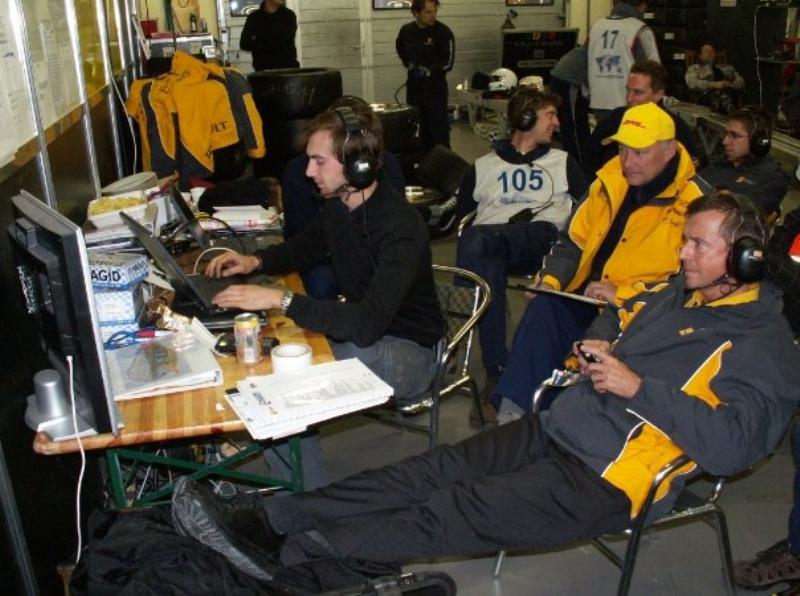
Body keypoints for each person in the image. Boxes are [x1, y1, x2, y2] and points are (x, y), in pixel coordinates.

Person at [171, 192, 800, 590]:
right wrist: (601, 339)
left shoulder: (762, 345)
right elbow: (620, 308)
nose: (682, 252)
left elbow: (735, 447)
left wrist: (638, 386)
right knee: (428, 471)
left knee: (450, 509)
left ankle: (286, 561)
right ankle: (272, 518)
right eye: (685, 238)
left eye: (697, 244)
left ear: (743, 259)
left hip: (612, 480)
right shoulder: (681, 291)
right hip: (561, 426)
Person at [206, 106, 443, 409]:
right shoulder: (338, 207)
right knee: (286, 352)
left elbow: (366, 324)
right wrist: (254, 261)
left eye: (319, 161)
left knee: (297, 369)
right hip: (366, 337)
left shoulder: (401, 226)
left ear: (358, 165)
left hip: (412, 354)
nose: (308, 172)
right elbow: (303, 248)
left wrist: (280, 299)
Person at [490, 101, 703, 422]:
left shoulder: (695, 206)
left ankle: (555, 420)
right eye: (623, 150)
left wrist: (623, 296)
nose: (628, 162)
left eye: (640, 152)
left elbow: (690, 285)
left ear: (669, 149)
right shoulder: (606, 182)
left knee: (590, 346)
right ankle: (512, 415)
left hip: (637, 313)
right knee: (544, 307)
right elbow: (572, 243)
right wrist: (551, 281)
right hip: (584, 298)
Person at [454, 87, 587, 425]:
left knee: (476, 241)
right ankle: (498, 371)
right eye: (550, 115)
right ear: (526, 118)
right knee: (482, 255)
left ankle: (456, 325)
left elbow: (590, 211)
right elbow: (459, 213)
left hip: (541, 243)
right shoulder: (482, 167)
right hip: (493, 251)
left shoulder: (563, 163)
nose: (556, 123)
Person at [281, 96, 406, 300]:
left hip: (369, 266)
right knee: (321, 281)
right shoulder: (300, 173)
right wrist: (254, 261)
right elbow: (301, 240)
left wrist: (283, 302)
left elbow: (372, 313)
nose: (310, 171)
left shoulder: (386, 170)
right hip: (323, 256)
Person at [582, 60, 699, 182]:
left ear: (658, 94)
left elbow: (688, 173)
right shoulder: (613, 120)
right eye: (628, 90)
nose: (629, 98)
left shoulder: (677, 129)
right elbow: (589, 157)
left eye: (638, 92)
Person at [696, 106, 790, 219]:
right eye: (726, 134)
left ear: (758, 141)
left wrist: (731, 200)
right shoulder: (718, 163)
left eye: (734, 135)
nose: (725, 141)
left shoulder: (773, 179)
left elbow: (750, 219)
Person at [396, 0, 455, 150]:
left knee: (437, 130)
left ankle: (441, 160)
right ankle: (419, 159)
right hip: (414, 89)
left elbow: (448, 63)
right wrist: (409, 64)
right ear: (416, 13)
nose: (433, 15)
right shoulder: (406, 31)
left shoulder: (443, 32)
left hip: (435, 90)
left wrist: (428, 71)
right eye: (428, 12)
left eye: (435, 11)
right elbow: (400, 49)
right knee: (416, 128)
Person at [587, 0, 660, 120]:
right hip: (629, 103)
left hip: (599, 101)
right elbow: (655, 70)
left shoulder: (596, 26)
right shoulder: (640, 29)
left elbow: (585, 62)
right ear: (643, 4)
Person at [549, 44, 590, 164]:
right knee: (574, 124)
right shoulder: (588, 55)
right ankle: (579, 162)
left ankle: (575, 158)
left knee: (570, 123)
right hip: (567, 83)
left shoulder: (580, 52)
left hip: (560, 79)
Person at [685, 43, 744, 115]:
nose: (710, 53)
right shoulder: (695, 68)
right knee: (718, 97)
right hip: (706, 96)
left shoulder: (727, 68)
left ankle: (729, 110)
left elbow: (741, 82)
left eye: (712, 51)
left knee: (724, 96)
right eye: (706, 51)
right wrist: (713, 85)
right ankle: (731, 111)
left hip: (727, 93)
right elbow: (691, 83)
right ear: (700, 56)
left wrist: (730, 84)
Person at [240, 0, 299, 71]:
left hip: (288, 71)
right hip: (263, 72)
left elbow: (278, 41)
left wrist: (257, 37)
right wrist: (267, 38)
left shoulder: (289, 15)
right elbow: (244, 44)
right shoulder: (253, 18)